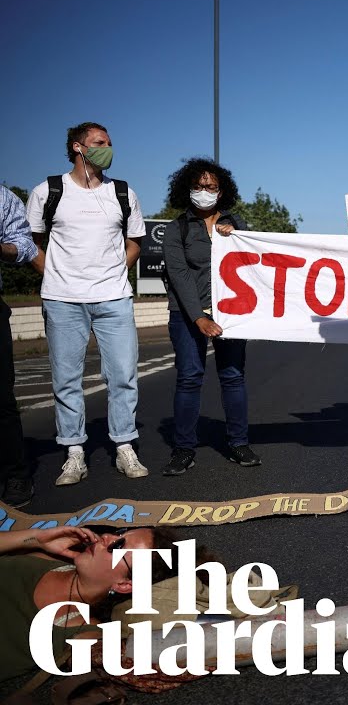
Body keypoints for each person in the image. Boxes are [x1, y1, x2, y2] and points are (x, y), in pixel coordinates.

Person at [26, 122, 147, 485]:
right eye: (99, 143)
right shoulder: (48, 191)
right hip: (63, 301)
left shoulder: (122, 192)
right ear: (78, 147)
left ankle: (125, 446)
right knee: (67, 379)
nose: (107, 148)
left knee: (123, 375)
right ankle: (75, 453)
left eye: (109, 143)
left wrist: (114, 273)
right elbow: (30, 239)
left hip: (114, 298)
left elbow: (136, 241)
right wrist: (53, 275)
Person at [161, 158, 261, 476]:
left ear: (222, 191)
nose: (205, 191)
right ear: (188, 188)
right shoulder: (176, 229)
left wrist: (236, 236)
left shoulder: (236, 225)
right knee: (190, 378)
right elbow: (179, 277)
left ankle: (238, 443)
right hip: (187, 316)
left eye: (211, 186)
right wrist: (198, 318)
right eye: (199, 185)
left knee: (233, 376)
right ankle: (183, 449)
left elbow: (257, 259)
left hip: (230, 313)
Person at [0, 525, 178, 680]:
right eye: (120, 533)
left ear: (124, 584)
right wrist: (37, 538)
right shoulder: (49, 558)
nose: (106, 536)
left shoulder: (84, 632)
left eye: (117, 545)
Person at [0, 189, 39, 507]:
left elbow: (24, 245)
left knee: (1, 397)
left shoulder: (2, 198)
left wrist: (3, 248)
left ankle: (15, 474)